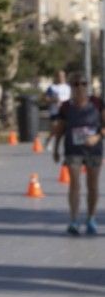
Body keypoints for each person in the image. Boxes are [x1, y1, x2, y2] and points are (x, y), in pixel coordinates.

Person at [49, 72, 102, 234]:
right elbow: (60, 128)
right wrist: (56, 149)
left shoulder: (97, 103)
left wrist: (97, 137)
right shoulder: (66, 106)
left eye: (83, 83)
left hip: (94, 150)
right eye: (76, 84)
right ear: (70, 87)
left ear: (88, 85)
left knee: (92, 185)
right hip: (73, 150)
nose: (80, 87)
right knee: (74, 184)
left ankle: (91, 218)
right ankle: (74, 220)